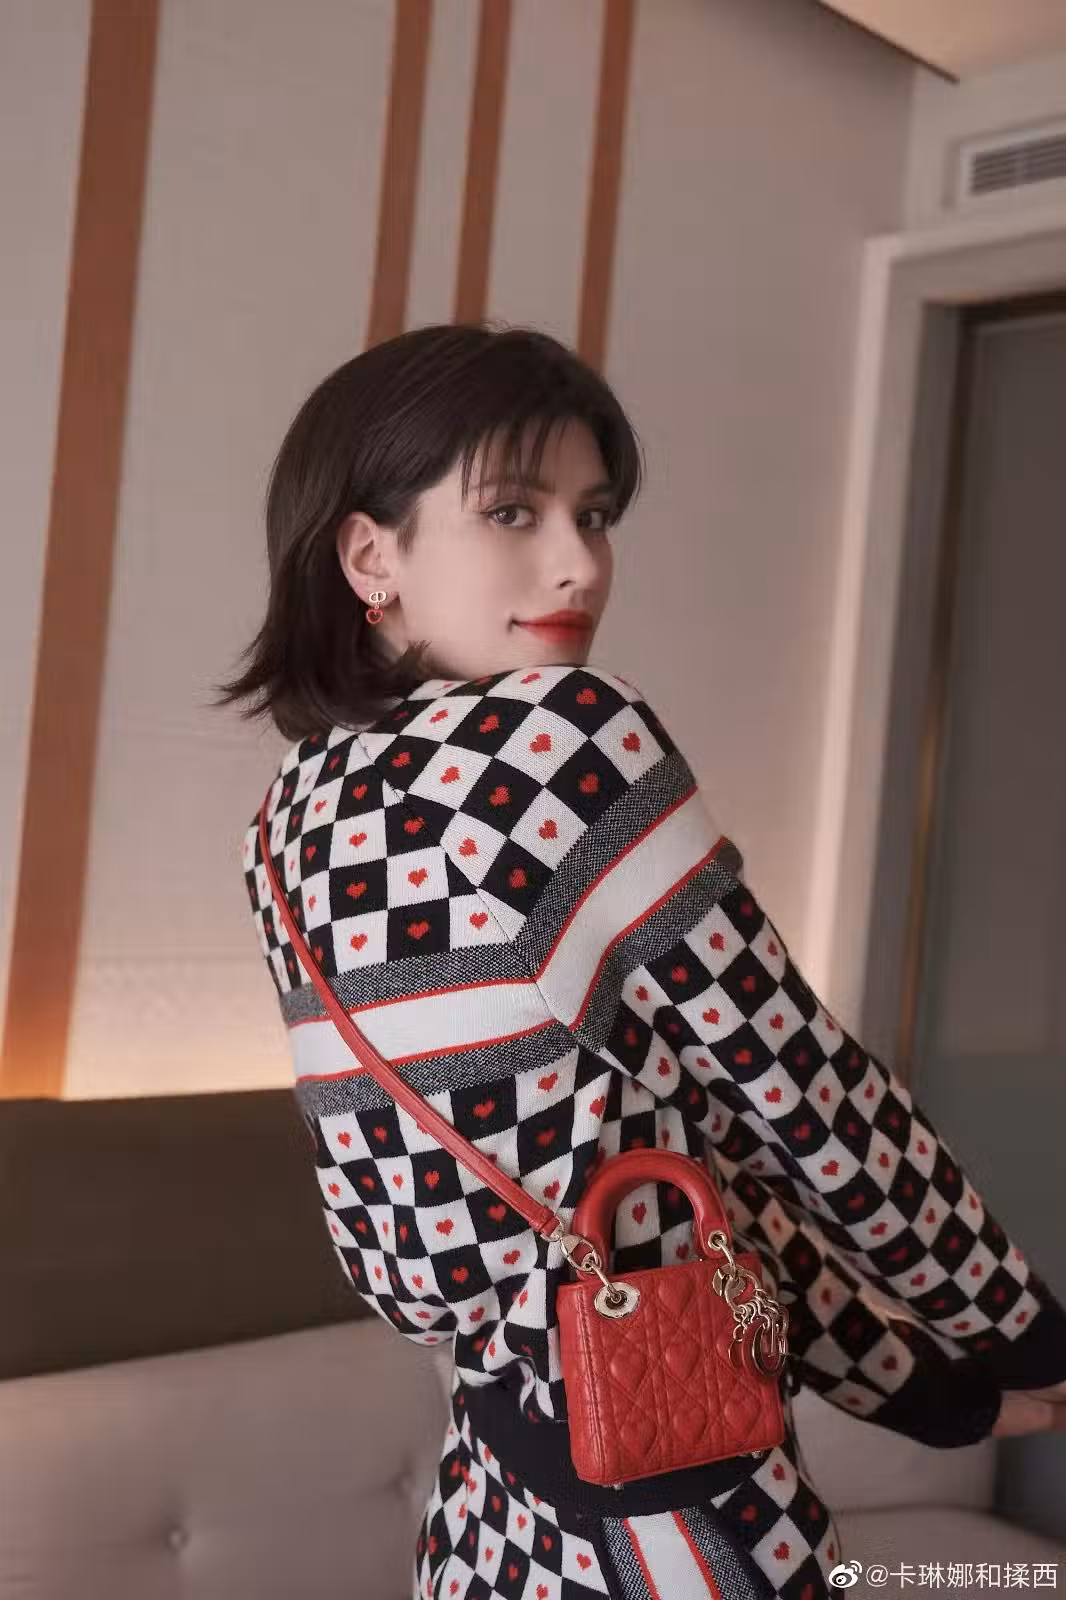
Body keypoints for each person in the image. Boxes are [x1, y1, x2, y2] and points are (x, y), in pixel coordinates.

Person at [214, 323, 1066, 1600]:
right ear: (370, 554)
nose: (578, 561)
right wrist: (1016, 1329)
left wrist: (928, 1394)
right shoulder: (562, 737)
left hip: (491, 1511)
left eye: (595, 513)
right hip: (669, 1522)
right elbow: (805, 1100)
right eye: (513, 510)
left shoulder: (286, 822)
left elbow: (659, 1178)